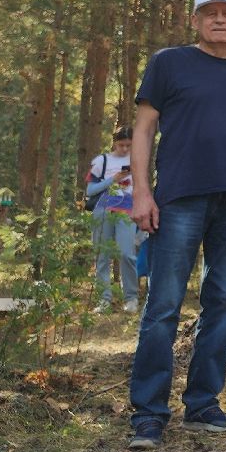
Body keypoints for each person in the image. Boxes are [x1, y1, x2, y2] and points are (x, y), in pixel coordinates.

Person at [126, 0, 226, 450]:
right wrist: (142, 193)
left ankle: (204, 403)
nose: (219, 19)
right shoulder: (169, 62)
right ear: (195, 21)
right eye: (209, 13)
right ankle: (149, 413)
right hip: (179, 198)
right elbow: (143, 129)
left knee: (223, 303)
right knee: (164, 306)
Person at [88, 125, 142, 312]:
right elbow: (90, 190)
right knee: (102, 255)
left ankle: (131, 298)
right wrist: (114, 179)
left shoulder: (138, 161)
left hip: (127, 211)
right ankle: (104, 300)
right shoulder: (101, 161)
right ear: (114, 143)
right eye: (121, 145)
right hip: (102, 210)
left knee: (127, 254)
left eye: (128, 145)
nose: (125, 149)